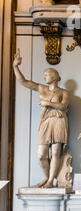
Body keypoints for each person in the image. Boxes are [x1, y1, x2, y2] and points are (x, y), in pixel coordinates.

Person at [13, 49, 70, 188]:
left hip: (58, 120)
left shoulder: (64, 92)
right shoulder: (41, 88)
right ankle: (46, 177)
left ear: (56, 77)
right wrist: (15, 66)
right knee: (41, 154)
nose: (45, 76)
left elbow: (63, 106)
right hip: (45, 121)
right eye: (44, 74)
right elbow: (23, 81)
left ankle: (51, 180)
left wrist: (49, 103)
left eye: (48, 74)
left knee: (56, 152)